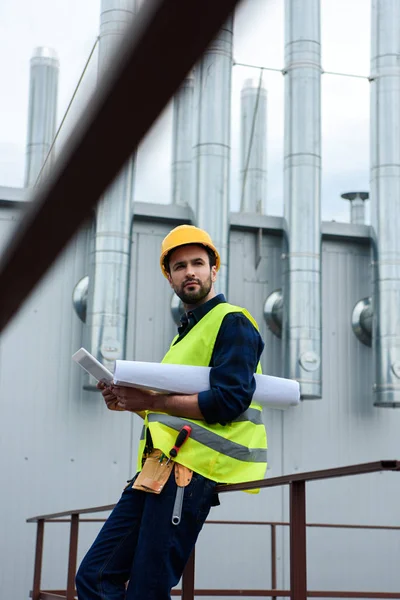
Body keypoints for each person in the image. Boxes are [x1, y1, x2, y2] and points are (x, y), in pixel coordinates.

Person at [76, 224, 268, 600]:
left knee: (147, 591)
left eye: (198, 263)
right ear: (170, 278)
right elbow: (171, 414)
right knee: (95, 576)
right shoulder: (184, 336)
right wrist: (129, 403)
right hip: (157, 469)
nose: (190, 272)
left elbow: (229, 402)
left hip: (190, 472)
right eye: (179, 267)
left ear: (215, 270)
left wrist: (148, 401)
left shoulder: (232, 322)